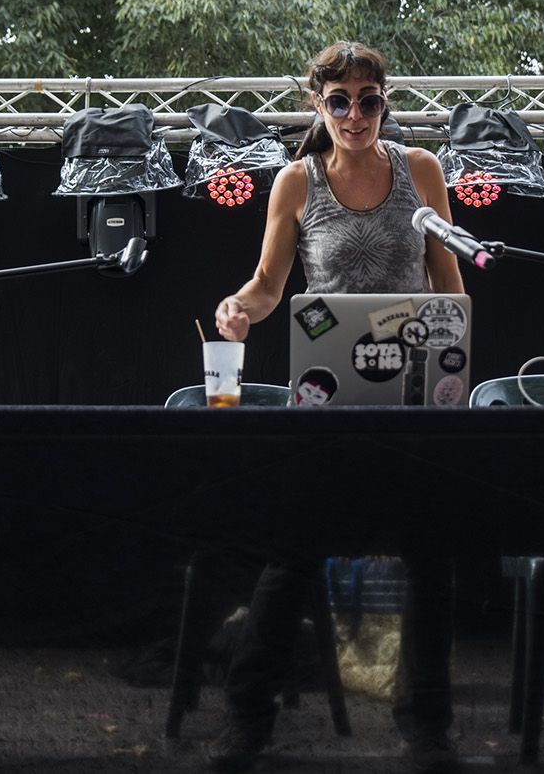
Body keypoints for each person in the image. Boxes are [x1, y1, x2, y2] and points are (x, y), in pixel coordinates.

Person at [208, 41, 467, 774]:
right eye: (340, 100)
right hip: (326, 403)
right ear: (315, 104)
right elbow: (268, 282)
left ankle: (429, 728)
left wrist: (455, 348)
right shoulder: (296, 182)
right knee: (289, 560)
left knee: (431, 560)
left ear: (387, 101)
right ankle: (247, 724)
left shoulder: (422, 172)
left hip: (412, 398)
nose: (356, 114)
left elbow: (448, 279)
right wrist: (241, 309)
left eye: (370, 99)